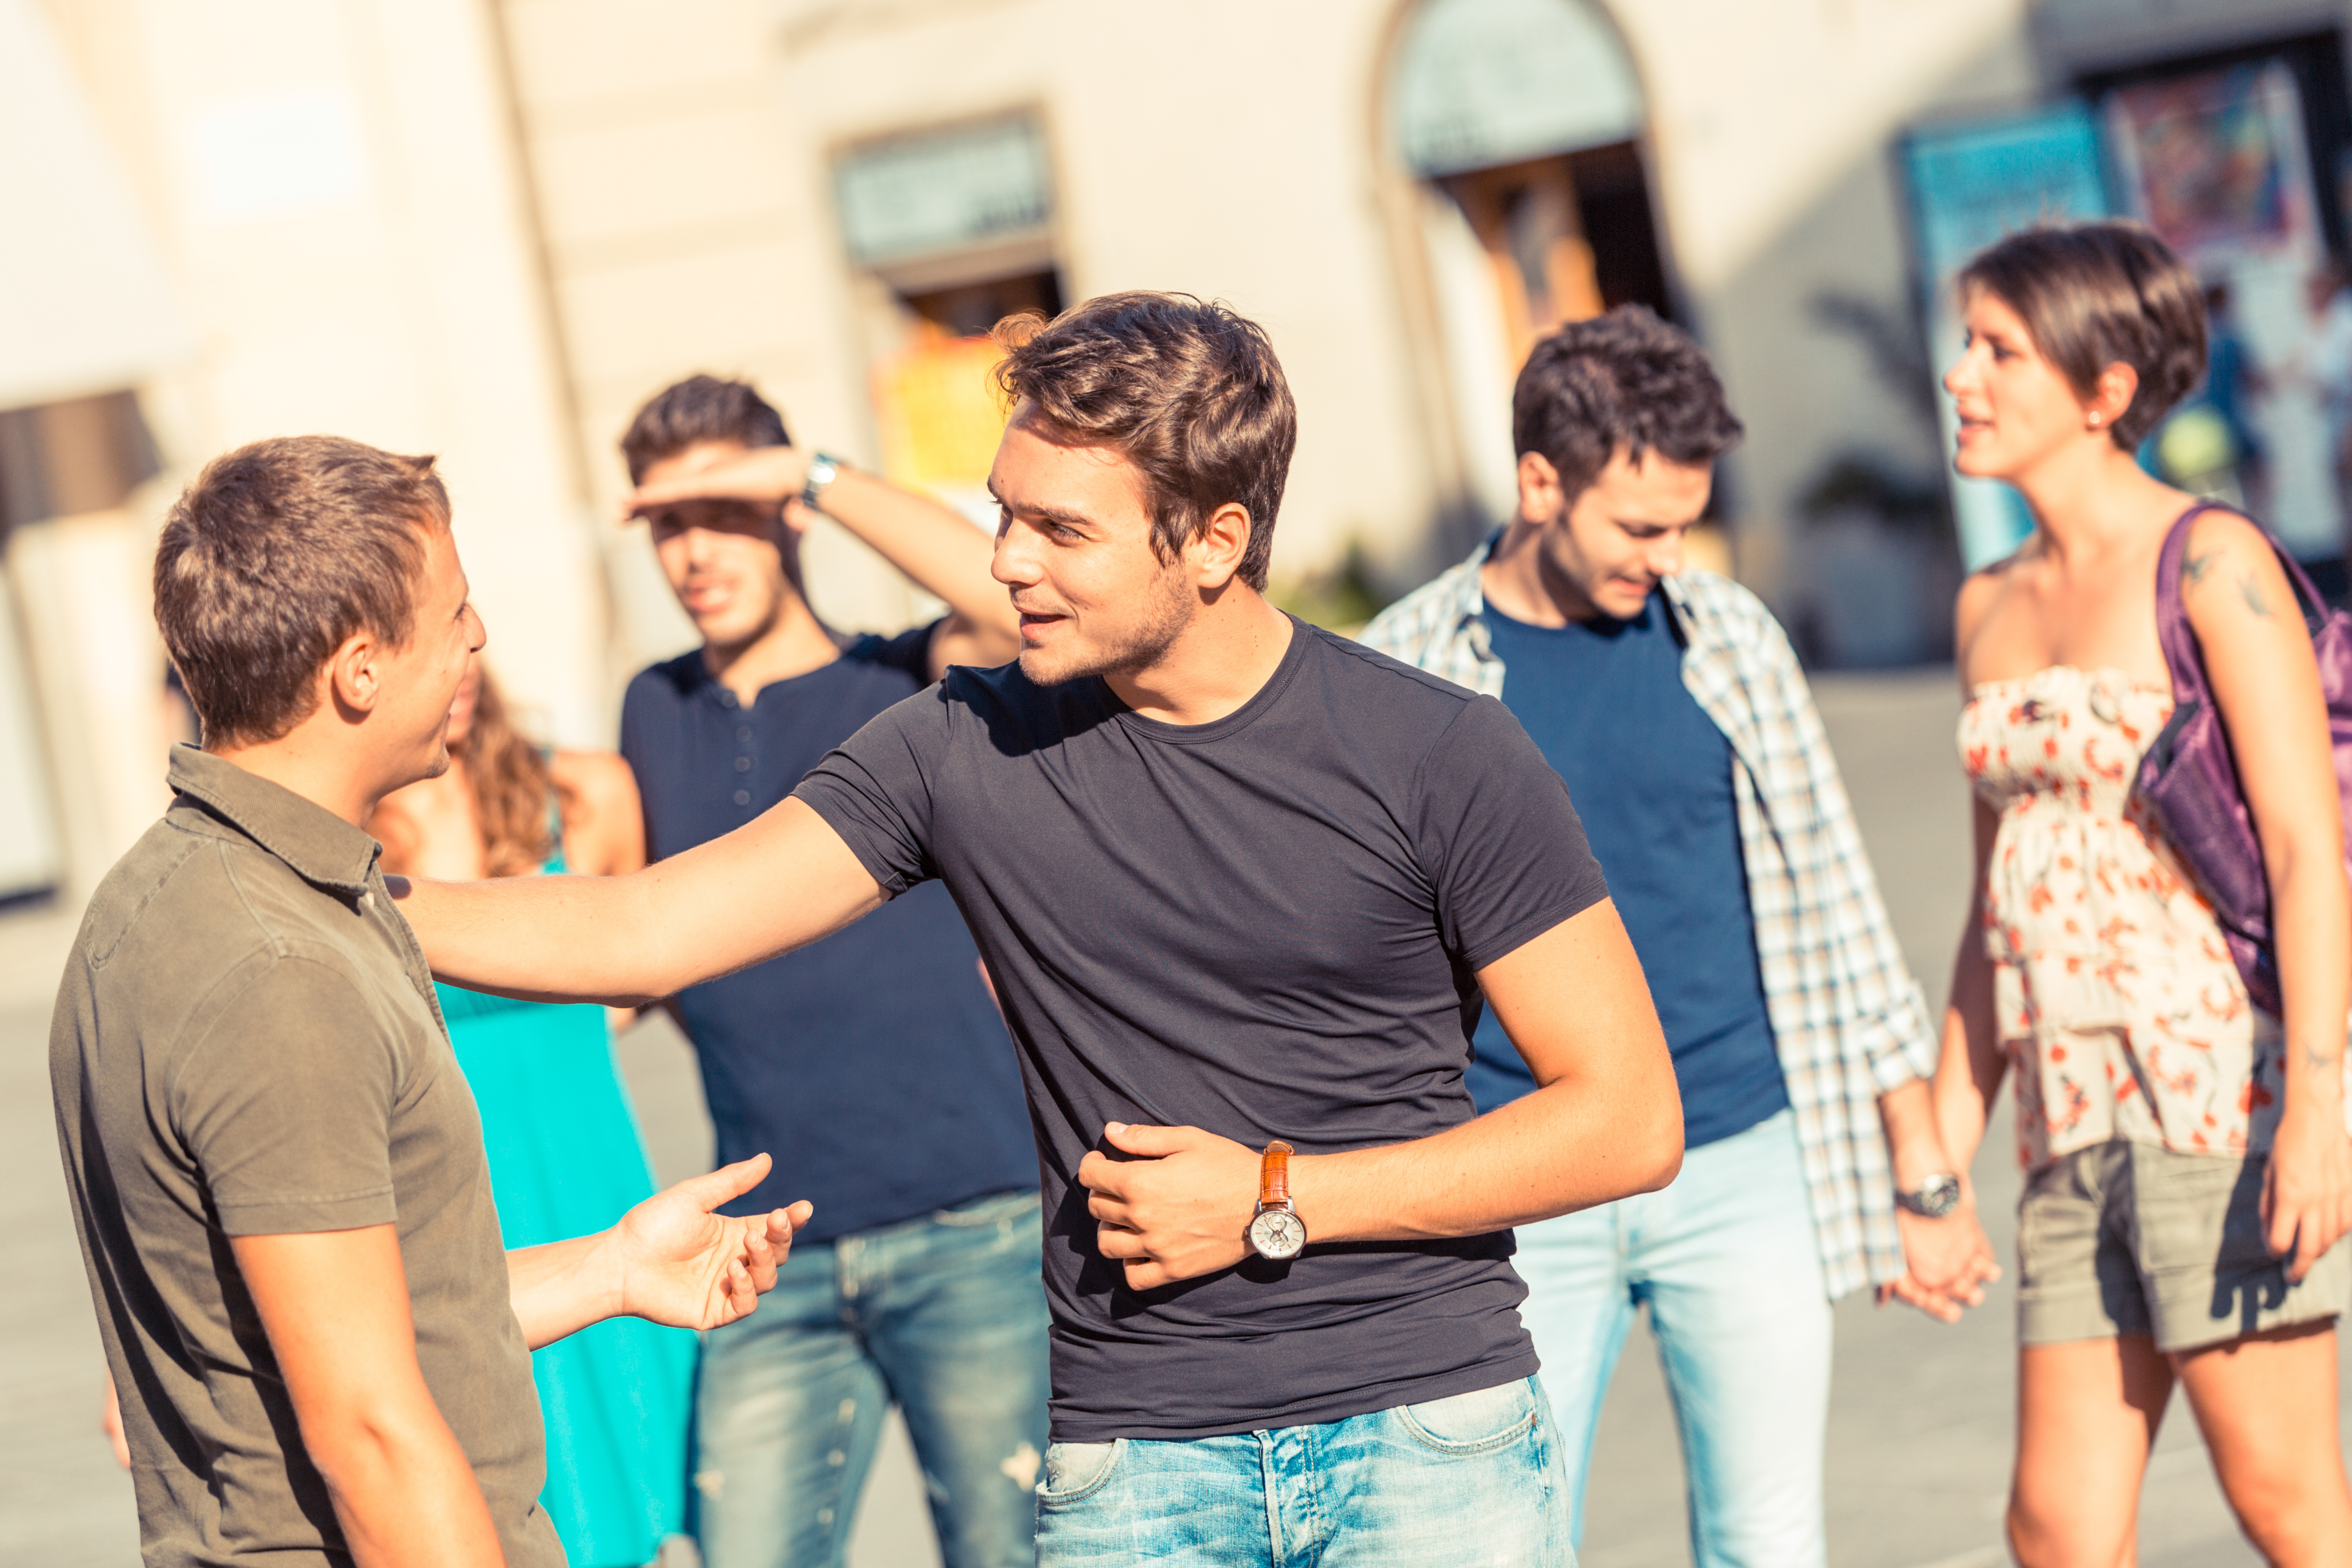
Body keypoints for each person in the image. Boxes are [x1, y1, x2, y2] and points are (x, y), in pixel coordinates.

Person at [397, 292, 1685, 1567]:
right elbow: (644, 925)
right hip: (1134, 1464)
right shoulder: (959, 746)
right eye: (1002, 512)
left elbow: (1624, 1113)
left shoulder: (1441, 751)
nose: (1007, 558)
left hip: (1428, 1435)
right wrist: (322, 883)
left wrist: (1273, 1197)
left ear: (1215, 541)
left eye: (1058, 528)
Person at [49, 435, 806, 1568]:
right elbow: (372, 1435)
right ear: (358, 668)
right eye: (455, 611)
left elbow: (349, 1318)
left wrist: (609, 1267)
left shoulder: (181, 895)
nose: (479, 638)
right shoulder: (277, 968)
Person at [1359, 305, 1987, 1567]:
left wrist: (1921, 1169)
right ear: (1540, 481)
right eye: (1639, 525)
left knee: (1767, 1541)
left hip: (1741, 1155)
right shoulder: (1403, 668)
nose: (1669, 552)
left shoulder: (1728, 636)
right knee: (1496, 1543)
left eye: (1686, 520)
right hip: (1514, 1177)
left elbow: (1836, 900)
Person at [1935, 221, 2352, 1566]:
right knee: (2053, 1526)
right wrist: (1937, 1151)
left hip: (2213, 1097)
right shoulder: (1982, 605)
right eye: (1965, 344)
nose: (1961, 376)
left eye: (1998, 350)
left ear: (2103, 389)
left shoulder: (2210, 560)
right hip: (2065, 1116)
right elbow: (1987, 895)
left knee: (2285, 1505)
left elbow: (2302, 846)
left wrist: (2317, 1111)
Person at [612, 375, 1044, 1568]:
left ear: (784, 511)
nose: (695, 551)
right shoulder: (652, 707)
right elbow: (636, 942)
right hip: (762, 1247)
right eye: (667, 523)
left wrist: (807, 471)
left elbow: (1009, 602)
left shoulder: (907, 676)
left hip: (974, 1219)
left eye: (724, 509)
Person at [371, 659, 695, 1568]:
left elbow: (636, 971)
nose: (456, 664)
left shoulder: (585, 791)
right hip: (460, 1201)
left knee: (641, 1489)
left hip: (590, 1173)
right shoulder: (343, 838)